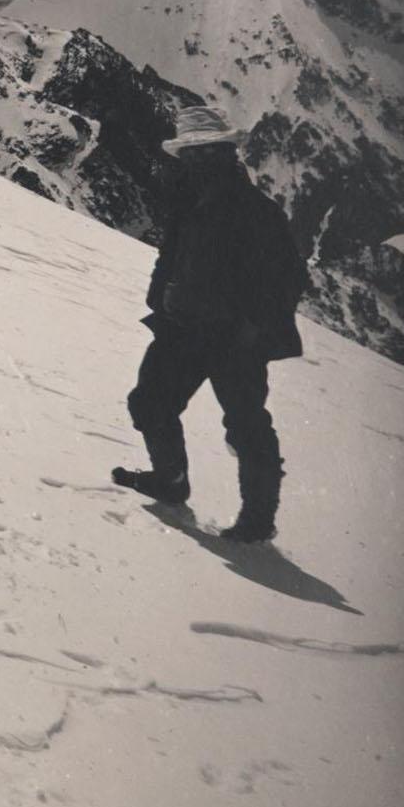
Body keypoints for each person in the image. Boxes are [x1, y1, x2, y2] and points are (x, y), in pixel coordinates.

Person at [112, 101, 307, 543]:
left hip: (234, 337)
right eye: (192, 152)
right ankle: (170, 482)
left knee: (246, 424)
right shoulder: (189, 202)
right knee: (150, 402)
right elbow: (172, 256)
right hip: (183, 327)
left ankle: (258, 520)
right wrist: (160, 296)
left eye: (208, 150)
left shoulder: (254, 209)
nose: (198, 159)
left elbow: (290, 276)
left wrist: (252, 327)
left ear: (227, 153)